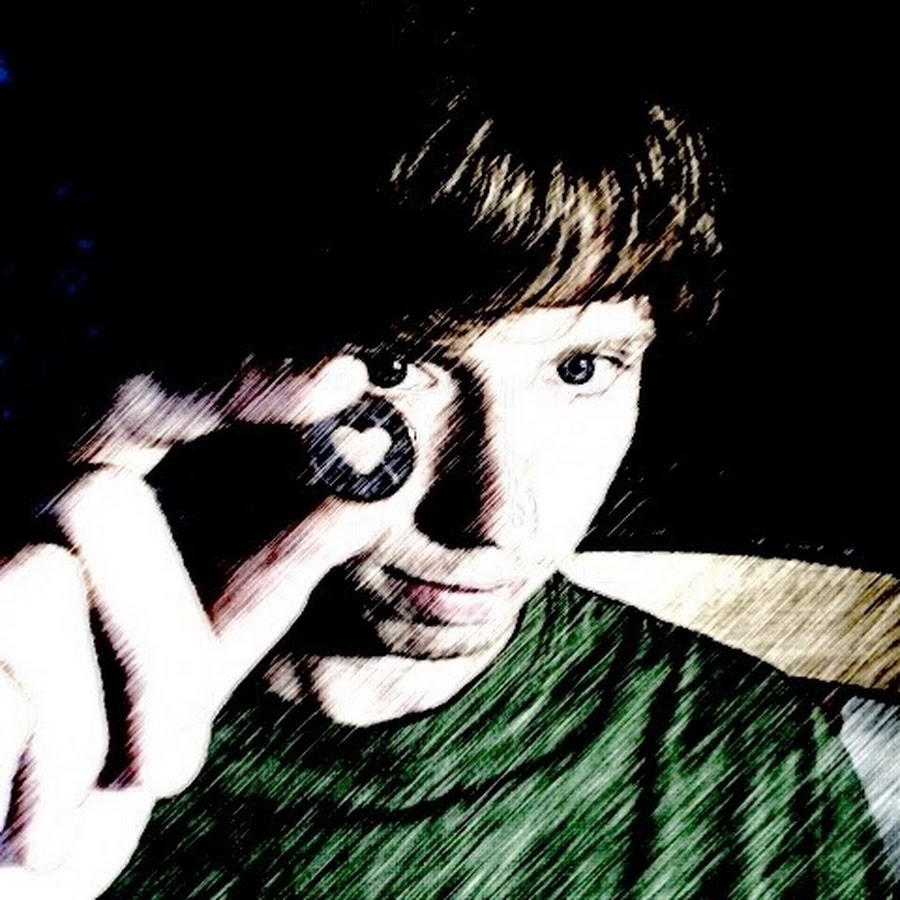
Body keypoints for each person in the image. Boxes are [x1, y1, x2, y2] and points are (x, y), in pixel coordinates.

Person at [0, 9, 892, 897]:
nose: (494, 516)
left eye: (582, 368)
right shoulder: (36, 727)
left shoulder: (747, 766)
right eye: (396, 368)